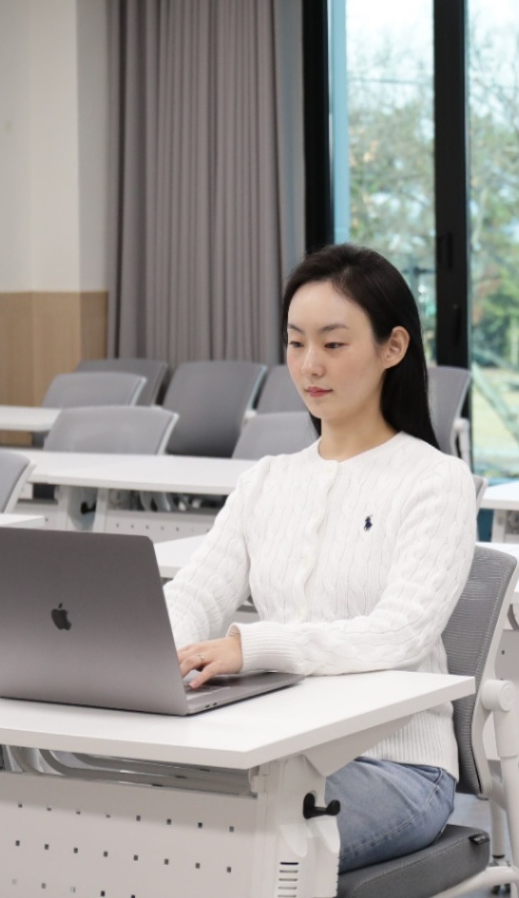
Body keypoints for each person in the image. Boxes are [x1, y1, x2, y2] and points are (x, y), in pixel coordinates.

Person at [164, 243, 476, 873]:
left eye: (333, 344)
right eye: (296, 342)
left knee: (220, 855)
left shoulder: (435, 480)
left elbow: (401, 632)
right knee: (138, 825)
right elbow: (195, 593)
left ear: (393, 348)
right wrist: (153, 648)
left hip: (395, 766)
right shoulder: (267, 479)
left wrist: (255, 647)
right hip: (274, 748)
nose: (310, 365)